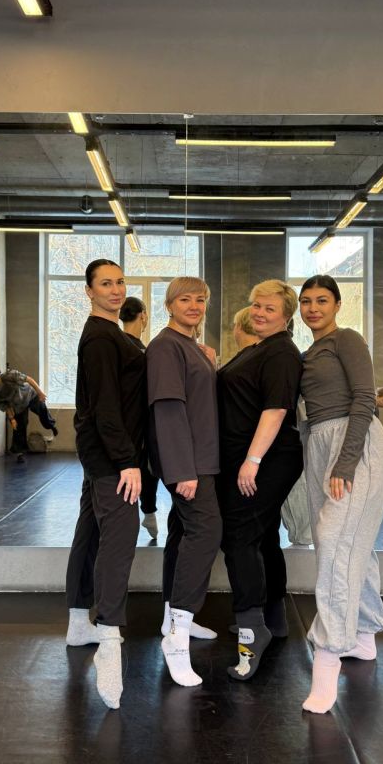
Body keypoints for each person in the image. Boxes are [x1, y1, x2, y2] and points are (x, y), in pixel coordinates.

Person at [299, 274, 383, 714]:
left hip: (354, 447)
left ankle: (328, 657)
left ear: (337, 304)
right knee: (355, 545)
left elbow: (364, 399)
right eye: (306, 301)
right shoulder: (307, 353)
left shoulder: (346, 339)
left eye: (322, 300)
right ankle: (364, 635)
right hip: (320, 444)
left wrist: (345, 461)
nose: (313, 308)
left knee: (336, 544)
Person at [65, 258, 146, 710]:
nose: (115, 290)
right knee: (120, 536)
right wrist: (126, 461)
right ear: (89, 291)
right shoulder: (100, 337)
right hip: (110, 456)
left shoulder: (110, 333)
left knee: (91, 530)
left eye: (120, 282)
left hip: (99, 452)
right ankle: (109, 640)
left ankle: (79, 621)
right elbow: (106, 407)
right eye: (105, 284)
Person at [218, 280, 303, 680]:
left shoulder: (282, 353)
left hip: (266, 459)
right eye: (256, 305)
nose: (260, 313)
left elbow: (275, 410)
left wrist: (252, 460)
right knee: (264, 534)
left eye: (269, 308)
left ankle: (252, 632)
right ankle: (274, 618)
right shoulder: (260, 348)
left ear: (286, 315)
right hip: (249, 457)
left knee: (239, 537)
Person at [146, 276, 222, 688]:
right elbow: (168, 411)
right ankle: (176, 638)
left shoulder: (192, 346)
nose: (194, 305)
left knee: (182, 533)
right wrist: (182, 470)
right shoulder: (165, 347)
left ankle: (172, 619)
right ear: (169, 305)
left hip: (202, 460)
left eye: (200, 299)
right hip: (188, 464)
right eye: (185, 299)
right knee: (206, 532)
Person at [119, 296, 159, 540]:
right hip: (139, 422)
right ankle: (148, 511)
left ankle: (147, 512)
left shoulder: (118, 345)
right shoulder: (142, 352)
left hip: (125, 422)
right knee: (146, 466)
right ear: (143, 316)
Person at [0, 366, 58, 462]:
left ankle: (51, 425)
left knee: (43, 412)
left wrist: (40, 393)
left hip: (30, 395)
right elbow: (7, 407)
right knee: (18, 428)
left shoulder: (10, 375)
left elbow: (29, 379)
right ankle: (20, 453)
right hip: (19, 407)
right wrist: (12, 419)